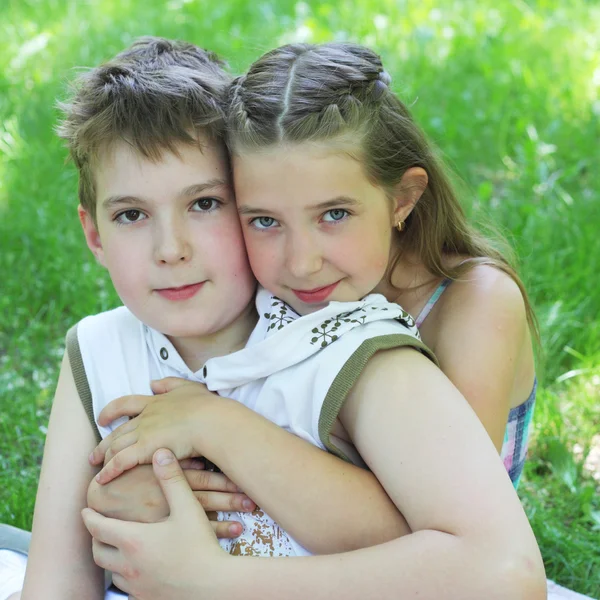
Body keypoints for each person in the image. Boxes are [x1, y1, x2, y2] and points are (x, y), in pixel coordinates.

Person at [0, 36, 487, 600]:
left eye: (204, 204)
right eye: (131, 214)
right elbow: (57, 583)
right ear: (94, 235)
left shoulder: (348, 350)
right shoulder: (99, 350)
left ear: (248, 200)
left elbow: (477, 561)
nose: (170, 248)